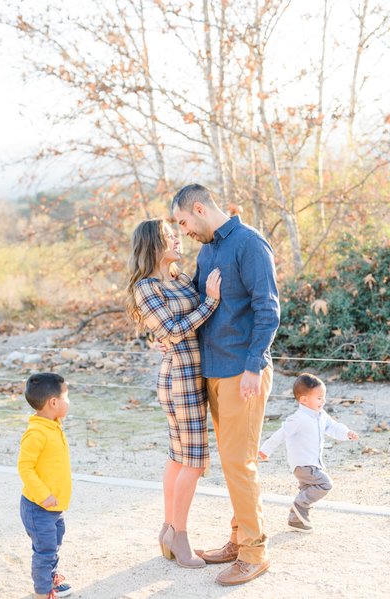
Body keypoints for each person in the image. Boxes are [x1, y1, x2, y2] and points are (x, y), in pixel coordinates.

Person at [171, 183, 280, 586]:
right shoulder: (208, 250)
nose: (183, 230)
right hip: (214, 371)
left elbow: (267, 308)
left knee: (239, 463)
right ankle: (237, 541)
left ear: (199, 208)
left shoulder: (250, 244)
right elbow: (201, 304)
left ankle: (254, 553)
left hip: (242, 371)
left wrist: (254, 366)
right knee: (235, 462)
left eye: (184, 221)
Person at [126, 218, 221, 568]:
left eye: (176, 234)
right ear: (152, 246)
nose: (177, 241)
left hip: (192, 373)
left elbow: (171, 332)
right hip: (179, 378)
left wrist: (164, 338)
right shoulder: (147, 288)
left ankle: (168, 529)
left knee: (179, 457)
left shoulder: (179, 277)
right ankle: (180, 536)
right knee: (195, 461)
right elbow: (173, 331)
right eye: (168, 237)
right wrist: (209, 303)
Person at [259, 372, 359, 532]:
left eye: (323, 397)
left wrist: (346, 433)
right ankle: (299, 505)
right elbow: (281, 434)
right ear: (304, 400)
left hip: (313, 463)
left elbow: (333, 427)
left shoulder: (321, 415)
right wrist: (265, 450)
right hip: (303, 464)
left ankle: (296, 520)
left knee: (308, 489)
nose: (323, 401)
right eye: (319, 398)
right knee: (324, 484)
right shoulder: (298, 418)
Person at [18, 373, 72, 599]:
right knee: (45, 550)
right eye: (66, 396)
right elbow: (25, 468)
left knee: (55, 542)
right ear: (53, 402)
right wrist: (43, 495)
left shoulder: (52, 424)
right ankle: (42, 592)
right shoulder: (36, 433)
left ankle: (50, 576)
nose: (69, 401)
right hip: (39, 508)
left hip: (53, 508)